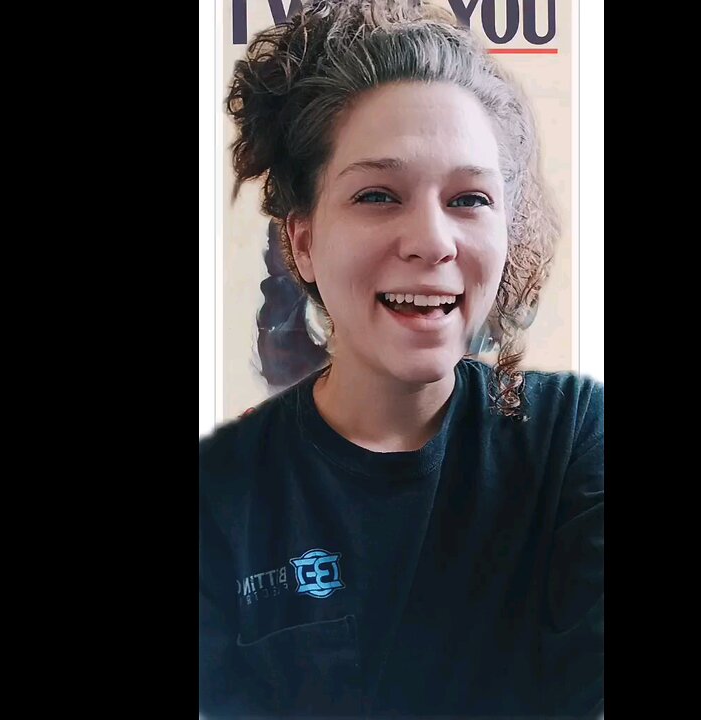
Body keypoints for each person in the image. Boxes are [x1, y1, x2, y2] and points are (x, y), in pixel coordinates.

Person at [199, 1, 603, 716]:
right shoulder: (220, 497)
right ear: (303, 244)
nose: (433, 242)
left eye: (469, 198)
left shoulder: (573, 442)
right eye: (378, 195)